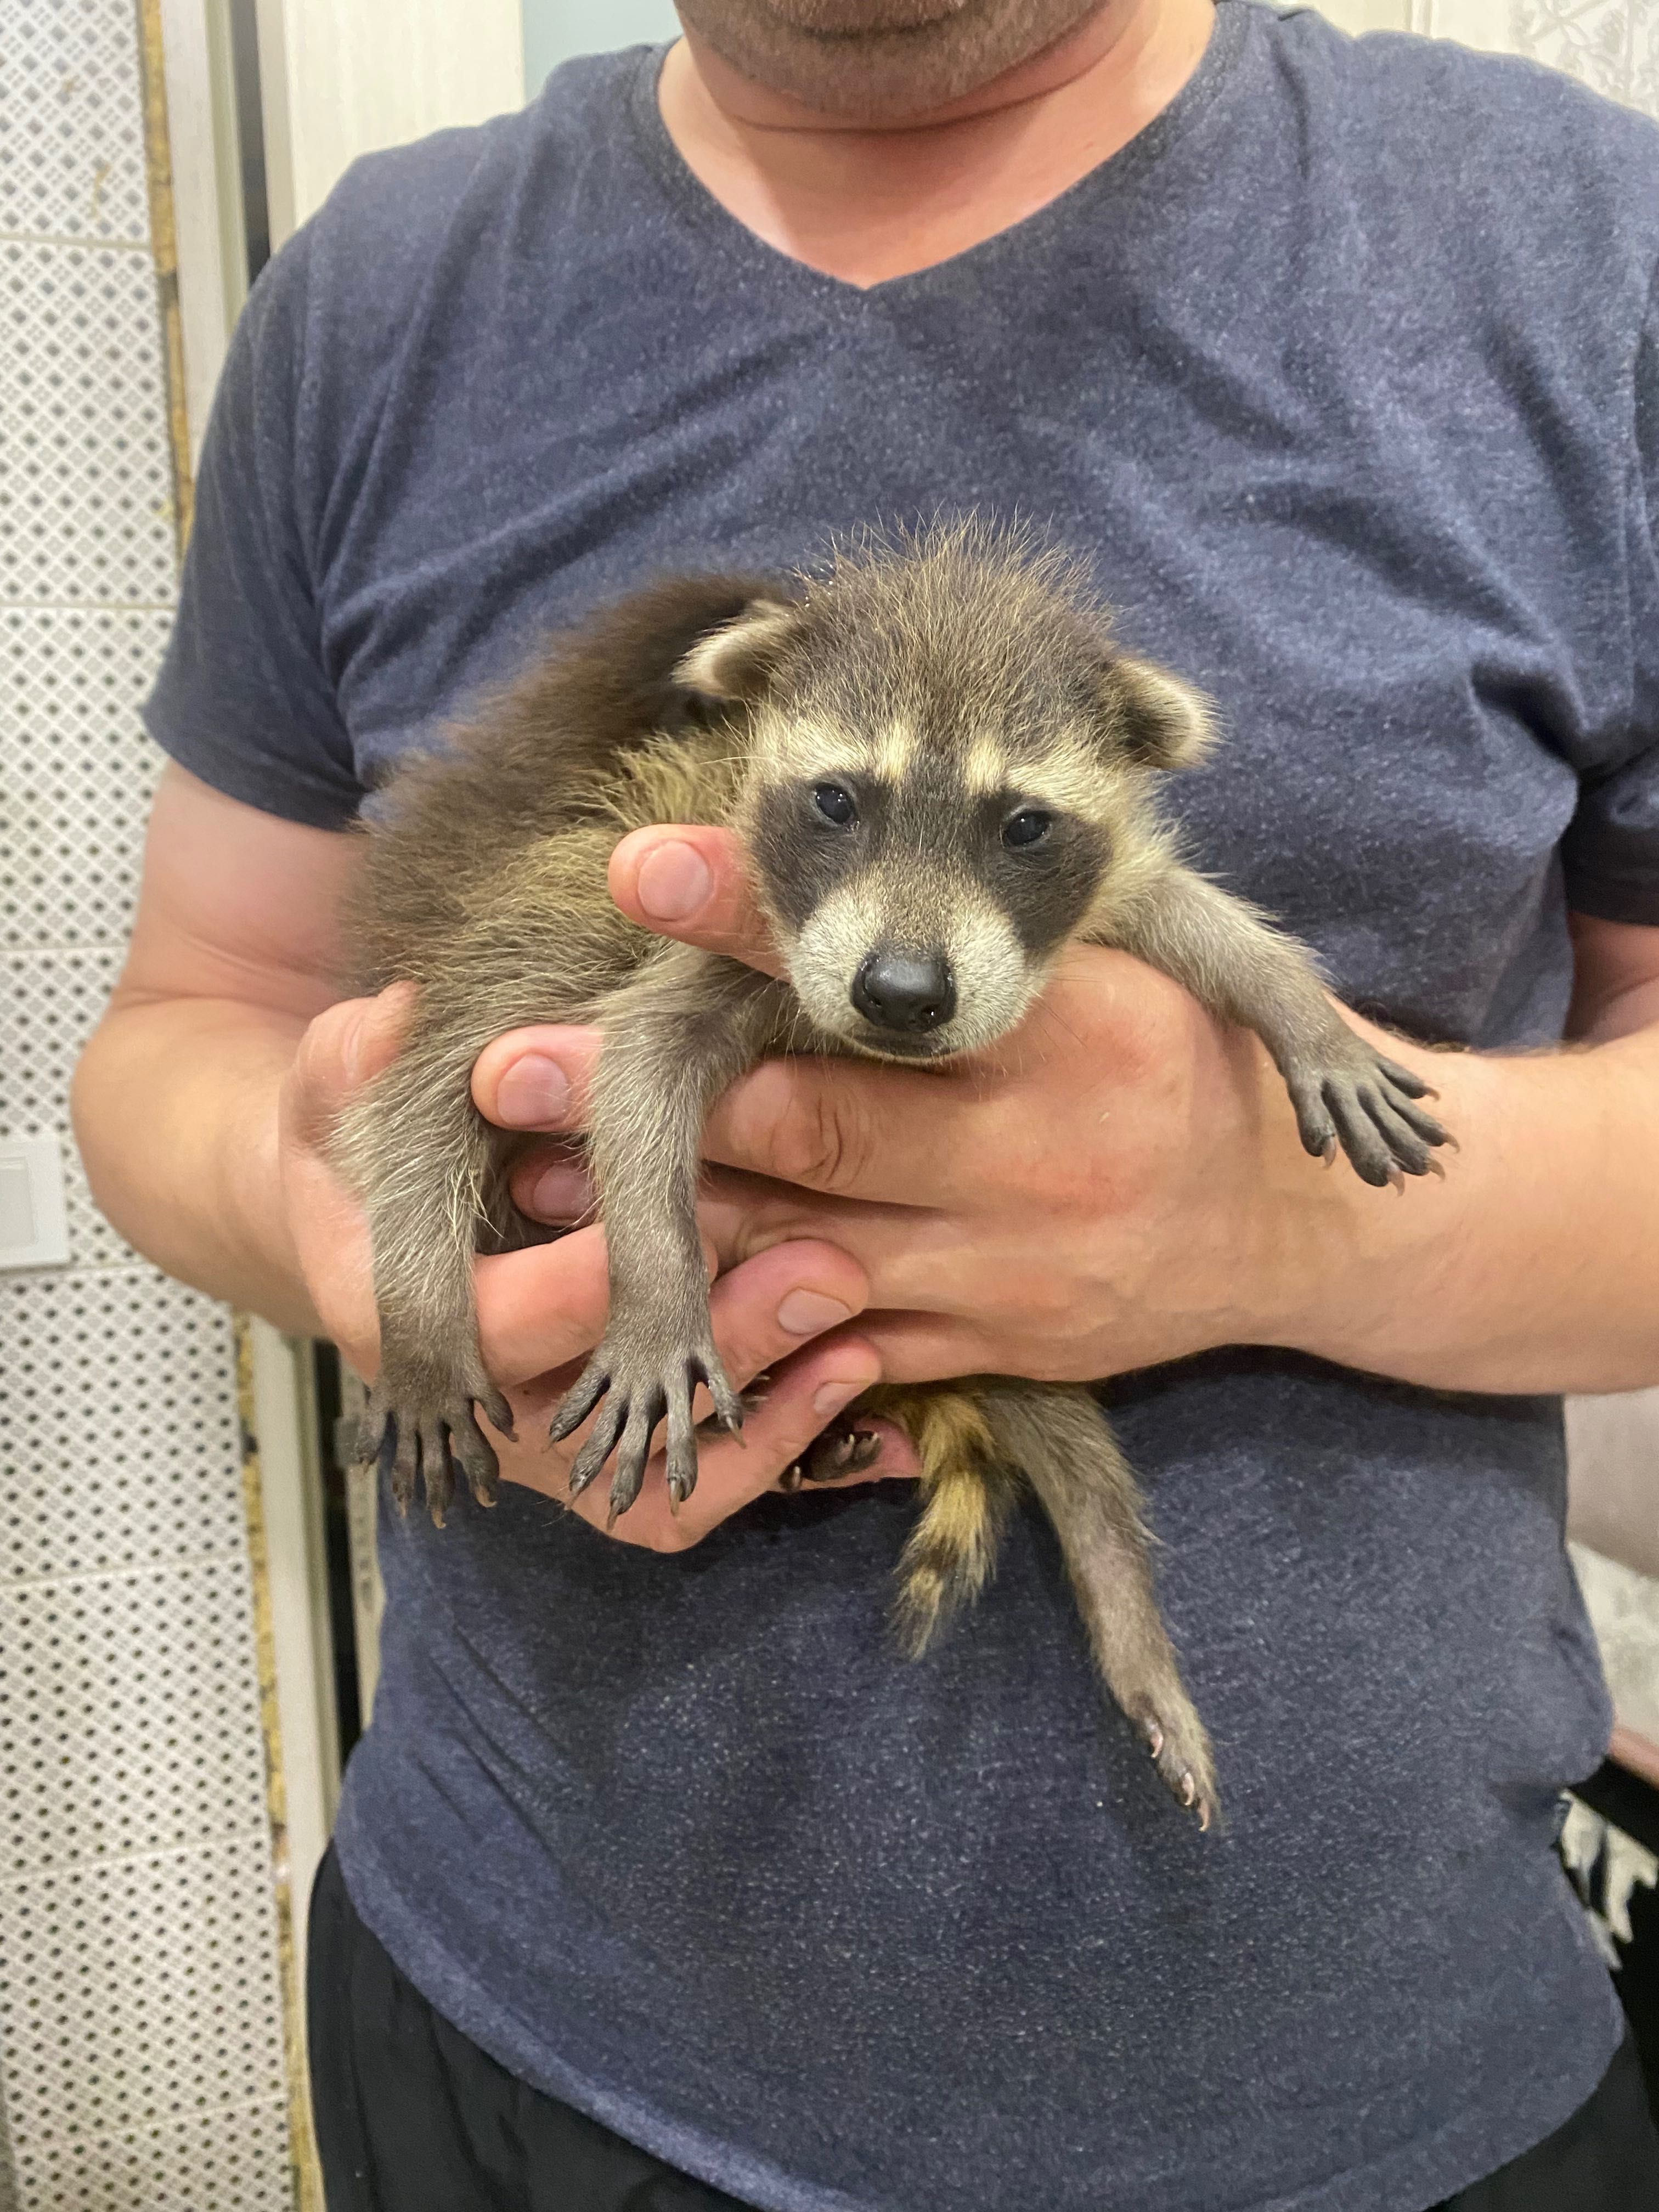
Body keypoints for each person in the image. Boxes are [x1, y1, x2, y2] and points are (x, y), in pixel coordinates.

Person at [72, 0, 1659, 2203]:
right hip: (512, 2009)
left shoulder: (1583, 248)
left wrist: (1261, 1211)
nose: (908, 960)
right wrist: (338, 1223)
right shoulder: (376, 292)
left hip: (1374, 2096)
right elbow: (195, 1021)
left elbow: (1228, 957)